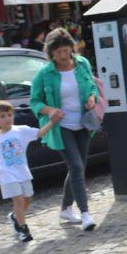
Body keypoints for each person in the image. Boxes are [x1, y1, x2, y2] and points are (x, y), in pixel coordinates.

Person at [30, 28, 101, 231]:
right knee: (77, 168)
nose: (63, 55)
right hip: (62, 127)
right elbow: (34, 101)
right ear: (50, 53)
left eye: (65, 49)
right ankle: (85, 213)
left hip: (84, 124)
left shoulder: (82, 64)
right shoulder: (45, 73)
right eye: (58, 51)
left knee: (77, 168)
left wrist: (91, 99)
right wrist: (50, 110)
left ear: (71, 47)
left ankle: (65, 208)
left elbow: (93, 87)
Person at [0, 100, 60, 243]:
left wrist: (52, 122)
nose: (7, 118)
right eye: (2, 116)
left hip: (22, 171)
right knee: (18, 199)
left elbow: (39, 133)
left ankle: (15, 216)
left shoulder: (21, 130)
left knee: (28, 197)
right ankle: (23, 229)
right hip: (6, 174)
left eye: (9, 115)